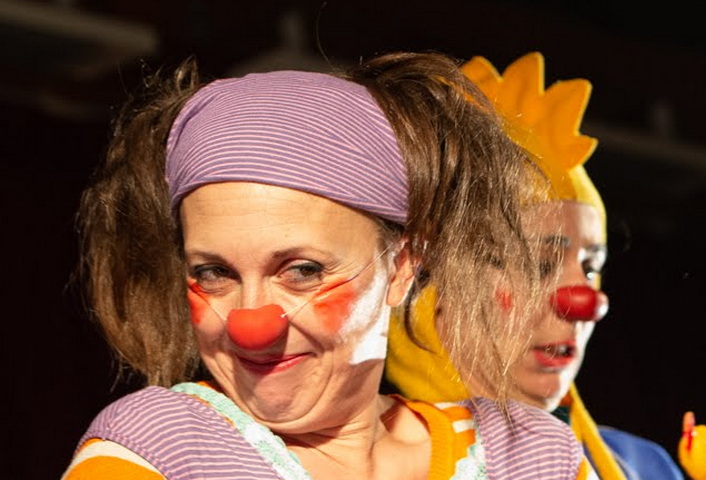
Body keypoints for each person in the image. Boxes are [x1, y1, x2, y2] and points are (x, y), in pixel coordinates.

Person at [62, 51, 599, 480]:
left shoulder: (529, 457)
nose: (250, 324)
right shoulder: (163, 451)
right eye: (214, 274)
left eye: (302, 271)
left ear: (402, 267)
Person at [384, 52, 706, 480]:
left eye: (591, 268)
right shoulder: (370, 461)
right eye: (540, 265)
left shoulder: (641, 465)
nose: (587, 302)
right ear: (427, 282)